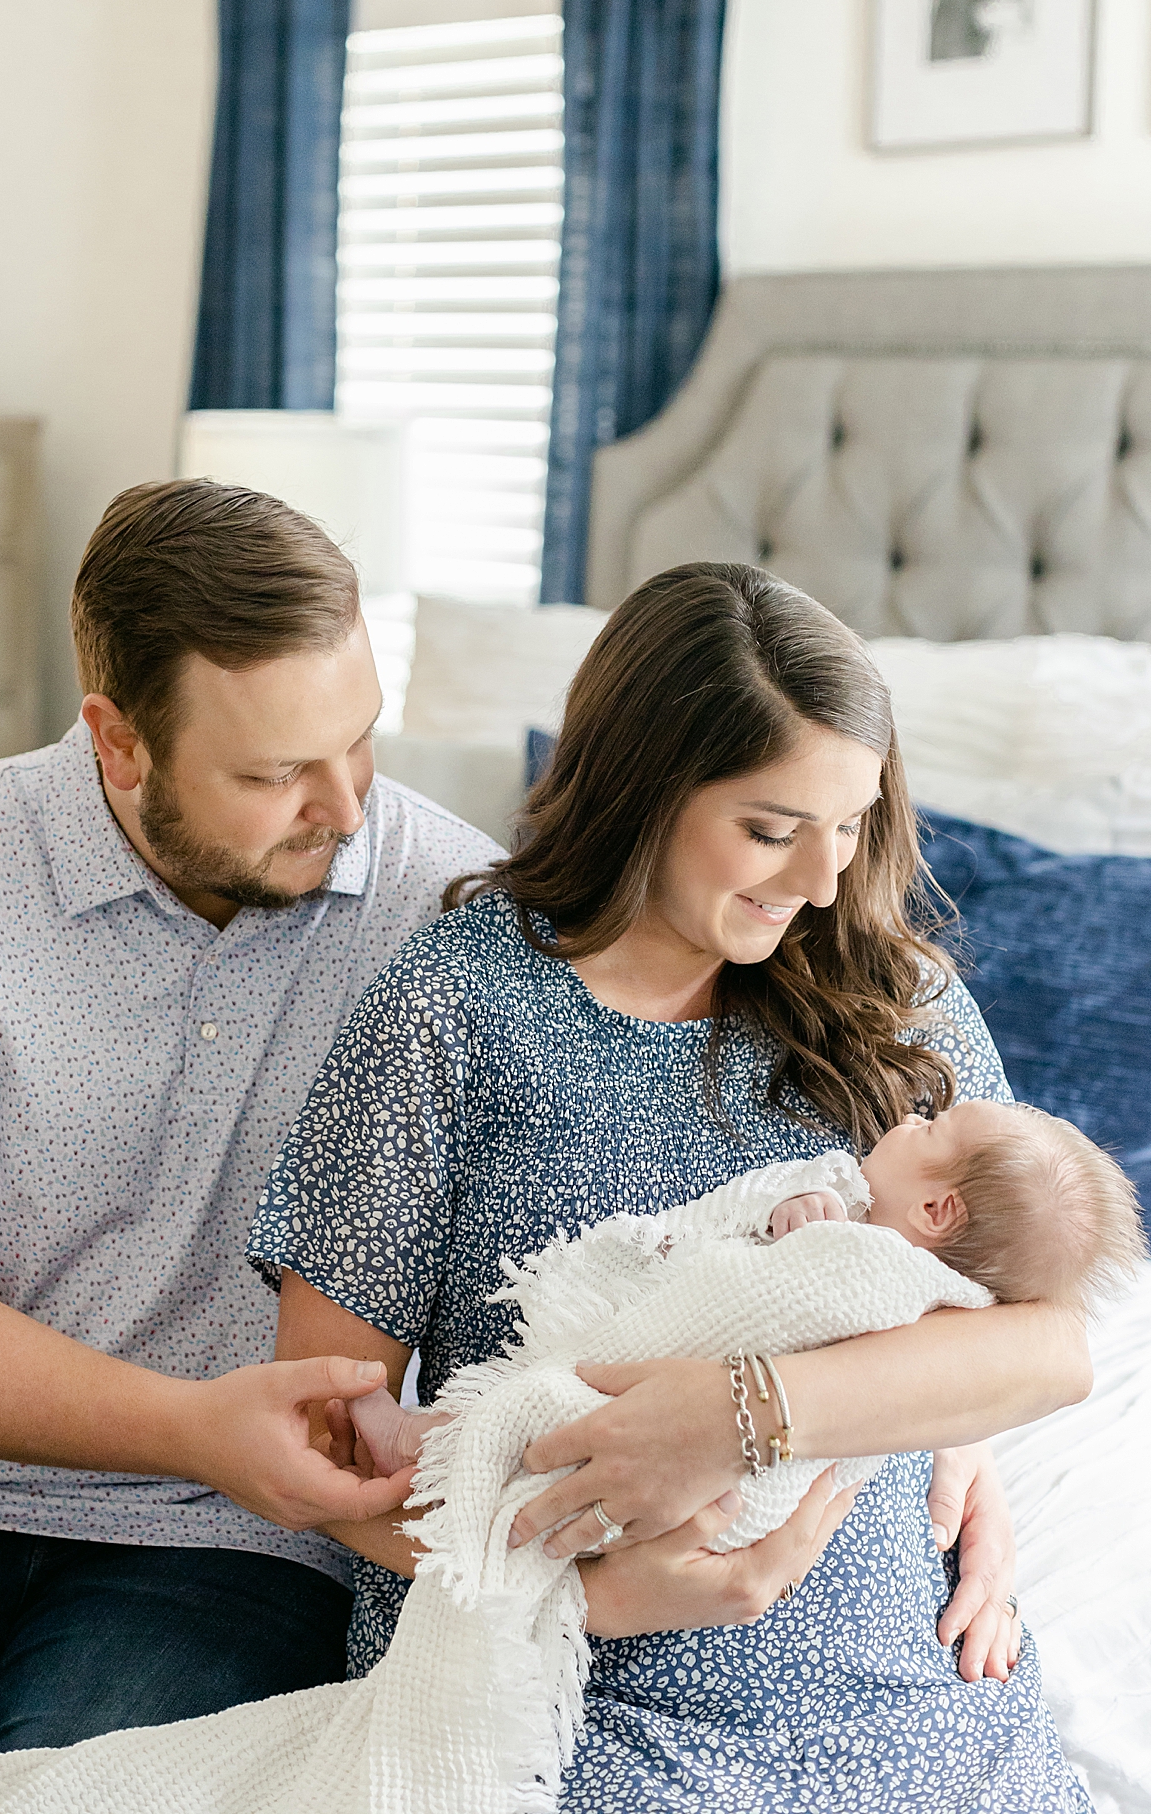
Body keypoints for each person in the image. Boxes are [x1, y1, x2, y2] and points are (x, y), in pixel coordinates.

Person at [255, 562, 1096, 1811]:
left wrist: (737, 1416)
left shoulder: (893, 996)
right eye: (770, 829)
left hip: (909, 1688)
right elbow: (315, 1443)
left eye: (853, 823)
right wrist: (583, 1596)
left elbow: (1046, 1350)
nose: (820, 880)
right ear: (645, 790)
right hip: (581, 1685)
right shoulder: (450, 1007)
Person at [0, 480, 494, 1812]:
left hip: (238, 1544)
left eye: (360, 741)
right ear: (118, 741)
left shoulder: (453, 917)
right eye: (274, 774)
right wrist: (194, 1426)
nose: (345, 805)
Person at [349, 1095, 1145, 1476]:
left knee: (552, 1408)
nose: (906, 1121)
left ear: (938, 1210)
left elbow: (784, 1297)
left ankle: (424, 1443)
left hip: (717, 1442)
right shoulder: (853, 1209)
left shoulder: (890, 1274)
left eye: (929, 1127)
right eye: (768, 830)